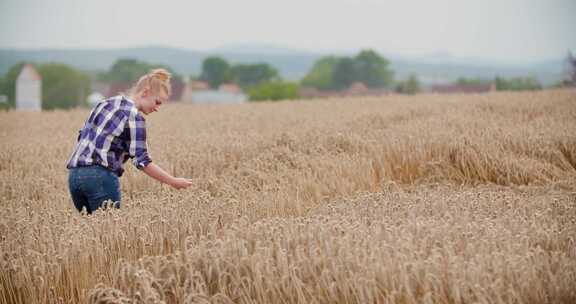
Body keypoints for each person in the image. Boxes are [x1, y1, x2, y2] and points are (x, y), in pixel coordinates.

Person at [66, 68, 193, 214]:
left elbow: (82, 136)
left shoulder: (104, 103)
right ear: (145, 92)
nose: (157, 108)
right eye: (157, 102)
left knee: (92, 232)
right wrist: (173, 181)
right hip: (100, 177)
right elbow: (143, 162)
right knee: (108, 231)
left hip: (74, 176)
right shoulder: (134, 117)